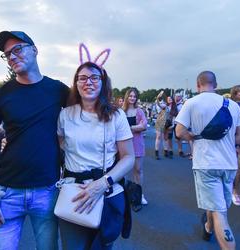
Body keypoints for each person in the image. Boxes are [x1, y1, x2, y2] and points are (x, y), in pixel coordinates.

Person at [0, 31, 69, 250]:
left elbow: (88, 115)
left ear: (34, 50)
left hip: (47, 192)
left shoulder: (58, 90)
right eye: (7, 55)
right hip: (7, 193)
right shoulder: (2, 94)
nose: (12, 57)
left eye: (17, 49)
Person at [57, 61, 135, 249]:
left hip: (107, 192)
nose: (88, 82)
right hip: (73, 194)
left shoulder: (117, 116)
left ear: (103, 82)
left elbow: (128, 157)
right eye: (82, 78)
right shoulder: (66, 115)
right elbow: (60, 147)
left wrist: (102, 183)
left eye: (94, 77)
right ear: (76, 84)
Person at [175, 71, 240, 250]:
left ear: (197, 85)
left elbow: (179, 132)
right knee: (217, 205)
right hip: (229, 163)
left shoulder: (191, 103)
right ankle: (208, 228)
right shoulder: (231, 104)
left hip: (206, 164)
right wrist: (225, 139)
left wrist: (193, 137)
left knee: (219, 212)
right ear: (215, 85)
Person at [123, 88, 148, 206]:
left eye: (134, 96)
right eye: (130, 96)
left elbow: (144, 126)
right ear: (127, 97)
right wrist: (136, 127)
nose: (132, 98)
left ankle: (139, 195)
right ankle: (124, 195)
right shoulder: (122, 111)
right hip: (124, 144)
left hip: (137, 143)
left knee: (138, 170)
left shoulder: (139, 111)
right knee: (123, 171)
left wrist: (130, 128)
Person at [154, 90, 167, 160]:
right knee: (158, 137)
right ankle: (156, 152)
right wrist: (159, 95)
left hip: (166, 122)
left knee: (164, 137)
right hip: (159, 121)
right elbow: (158, 103)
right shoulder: (159, 103)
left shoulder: (166, 103)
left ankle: (166, 151)